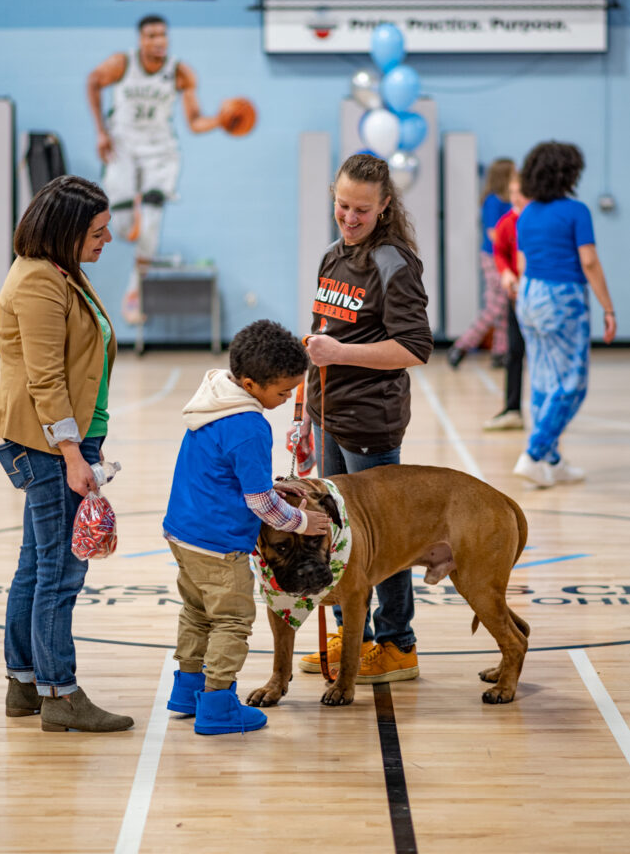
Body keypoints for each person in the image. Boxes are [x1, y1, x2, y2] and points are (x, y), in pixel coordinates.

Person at [0, 176, 134, 734]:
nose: (108, 238)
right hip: (45, 442)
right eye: (98, 231)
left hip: (61, 439)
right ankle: (60, 695)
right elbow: (46, 379)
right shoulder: (36, 285)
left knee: (36, 562)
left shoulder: (60, 273)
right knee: (61, 573)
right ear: (67, 231)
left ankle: (24, 684)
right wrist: (73, 455)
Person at [296, 153, 434, 683]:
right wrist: (306, 413)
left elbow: (415, 348)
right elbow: (322, 338)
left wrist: (341, 355)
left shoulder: (393, 263)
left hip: (371, 423)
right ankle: (353, 635)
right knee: (337, 532)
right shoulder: (333, 257)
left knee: (384, 536)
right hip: (329, 414)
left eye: (361, 210)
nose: (349, 218)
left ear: (385, 208)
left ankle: (397, 642)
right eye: (341, 206)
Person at [163, 320, 332, 735]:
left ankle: (187, 690)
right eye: (282, 392)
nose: (288, 398)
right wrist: (303, 522)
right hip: (220, 544)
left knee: (196, 612)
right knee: (232, 621)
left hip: (183, 533)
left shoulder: (214, 399)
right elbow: (260, 503)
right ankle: (218, 705)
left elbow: (234, 477)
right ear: (252, 383)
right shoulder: (250, 426)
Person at [86, 14, 222, 323]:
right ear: (140, 40)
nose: (158, 41)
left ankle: (135, 292)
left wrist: (221, 121)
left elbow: (196, 122)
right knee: (119, 227)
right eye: (151, 35)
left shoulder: (180, 72)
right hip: (123, 149)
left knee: (151, 222)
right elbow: (93, 82)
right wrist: (100, 131)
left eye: (162, 35)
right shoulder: (122, 64)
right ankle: (130, 208)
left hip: (161, 153)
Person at [513, 141, 617, 488]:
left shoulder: (527, 214)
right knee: (571, 384)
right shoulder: (576, 212)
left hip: (529, 295)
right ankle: (534, 452)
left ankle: (553, 461)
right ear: (569, 173)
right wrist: (608, 306)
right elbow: (588, 261)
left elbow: (524, 262)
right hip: (562, 297)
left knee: (543, 379)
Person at [447, 157, 513, 369]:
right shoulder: (493, 201)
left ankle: (500, 351)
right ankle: (462, 345)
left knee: (504, 306)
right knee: (495, 306)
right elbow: (494, 234)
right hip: (493, 257)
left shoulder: (509, 201)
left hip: (505, 258)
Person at [483, 171, 529, 431]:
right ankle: (512, 409)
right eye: (512, 192)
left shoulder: (537, 221)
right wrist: (506, 273)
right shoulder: (506, 222)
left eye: (519, 192)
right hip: (516, 298)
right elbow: (499, 252)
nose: (515, 197)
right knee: (514, 352)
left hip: (538, 298)